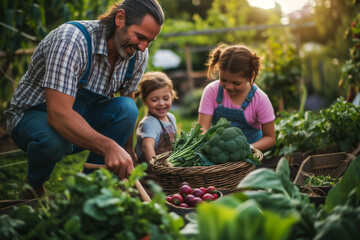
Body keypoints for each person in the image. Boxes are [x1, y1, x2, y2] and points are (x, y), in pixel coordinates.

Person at [4, 0, 164, 197]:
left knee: (127, 107)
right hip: (34, 116)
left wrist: (127, 148)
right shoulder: (72, 40)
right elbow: (58, 115)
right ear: (120, 18)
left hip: (80, 116)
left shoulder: (137, 54)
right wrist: (109, 146)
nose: (142, 47)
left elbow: (128, 97)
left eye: (149, 41)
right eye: (140, 37)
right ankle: (34, 184)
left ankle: (91, 190)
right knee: (53, 140)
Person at [198, 43, 276, 152]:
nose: (229, 86)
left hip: (250, 157)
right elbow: (202, 128)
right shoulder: (212, 91)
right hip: (219, 154)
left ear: (251, 76)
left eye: (236, 83)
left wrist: (248, 149)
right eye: (223, 79)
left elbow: (270, 138)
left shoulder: (260, 99)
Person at [134, 71, 177, 196]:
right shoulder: (150, 123)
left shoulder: (170, 117)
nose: (161, 103)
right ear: (145, 100)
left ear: (172, 95)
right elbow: (147, 146)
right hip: (152, 177)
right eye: (154, 100)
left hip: (168, 174)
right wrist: (158, 169)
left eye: (166, 98)